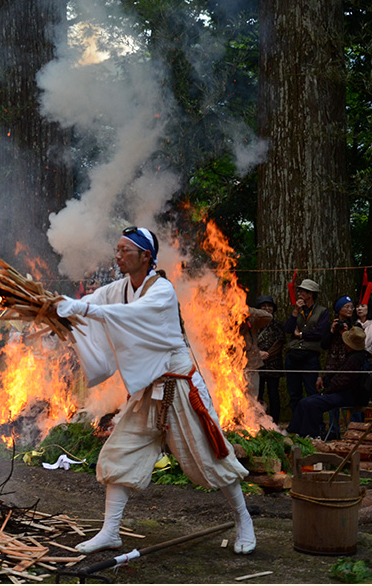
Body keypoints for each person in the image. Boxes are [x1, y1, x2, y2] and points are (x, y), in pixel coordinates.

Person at [53, 226, 254, 555]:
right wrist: (59, 306)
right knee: (118, 454)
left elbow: (131, 316)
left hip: (180, 388)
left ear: (146, 256)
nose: (118, 255)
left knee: (211, 458)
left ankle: (243, 519)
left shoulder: (161, 290)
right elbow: (91, 302)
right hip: (148, 391)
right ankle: (110, 532)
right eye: (116, 249)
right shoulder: (119, 288)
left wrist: (84, 310)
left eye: (125, 250)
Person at [287, 327, 372, 439]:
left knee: (312, 403)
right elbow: (337, 371)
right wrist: (324, 378)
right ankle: (295, 432)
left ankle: (311, 435)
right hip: (342, 392)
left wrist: (326, 391)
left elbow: (342, 381)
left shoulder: (356, 359)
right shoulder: (352, 356)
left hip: (350, 395)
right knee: (304, 402)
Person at [283, 279, 330, 413]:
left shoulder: (322, 311)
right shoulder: (297, 310)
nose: (299, 293)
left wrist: (302, 335)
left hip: (310, 357)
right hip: (293, 356)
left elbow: (320, 332)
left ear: (310, 294)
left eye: (302, 291)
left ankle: (314, 425)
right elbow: (288, 329)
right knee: (294, 393)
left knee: (312, 392)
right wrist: (295, 311)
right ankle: (297, 425)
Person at [319, 296, 357, 439]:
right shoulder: (331, 325)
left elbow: (355, 345)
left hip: (347, 367)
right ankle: (333, 430)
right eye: (346, 306)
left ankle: (353, 430)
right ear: (338, 309)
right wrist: (332, 330)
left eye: (351, 307)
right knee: (331, 397)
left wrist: (345, 333)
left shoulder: (355, 325)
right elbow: (324, 345)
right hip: (332, 367)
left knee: (349, 399)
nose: (350, 310)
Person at [255, 295, 285, 424]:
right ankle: (259, 420)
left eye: (269, 306)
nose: (267, 308)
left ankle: (275, 421)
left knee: (273, 394)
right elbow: (248, 342)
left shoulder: (278, 324)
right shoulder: (254, 324)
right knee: (258, 393)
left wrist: (268, 353)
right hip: (257, 363)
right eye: (263, 306)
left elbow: (280, 342)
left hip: (273, 364)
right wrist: (258, 353)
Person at [353, 301, 372, 421]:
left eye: (362, 306)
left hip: (371, 361)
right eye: (357, 306)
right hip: (357, 361)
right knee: (358, 392)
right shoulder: (355, 324)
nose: (359, 309)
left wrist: (366, 353)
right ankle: (357, 422)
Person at [240, 304, 272, 400]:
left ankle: (252, 415)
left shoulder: (251, 319)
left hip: (251, 364)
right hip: (230, 367)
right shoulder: (221, 318)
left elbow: (268, 317)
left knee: (252, 399)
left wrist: (247, 310)